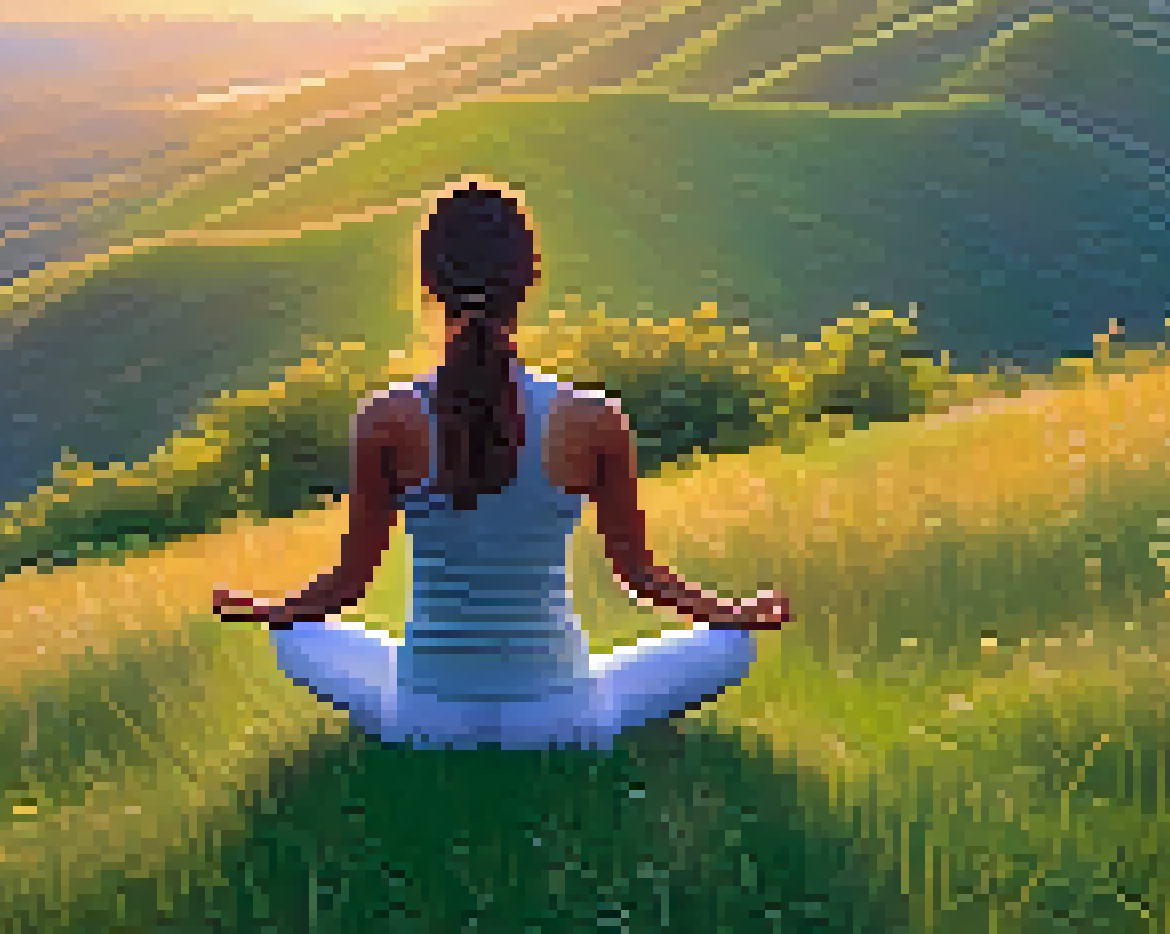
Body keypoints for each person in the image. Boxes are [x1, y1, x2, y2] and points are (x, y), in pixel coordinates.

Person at [212, 181, 791, 750]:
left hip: (426, 722)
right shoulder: (593, 419)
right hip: (564, 722)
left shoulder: (386, 417)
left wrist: (270, 610)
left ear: (428, 284)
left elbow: (346, 587)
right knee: (732, 645)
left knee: (295, 639)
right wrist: (735, 612)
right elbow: (642, 581)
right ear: (529, 278)